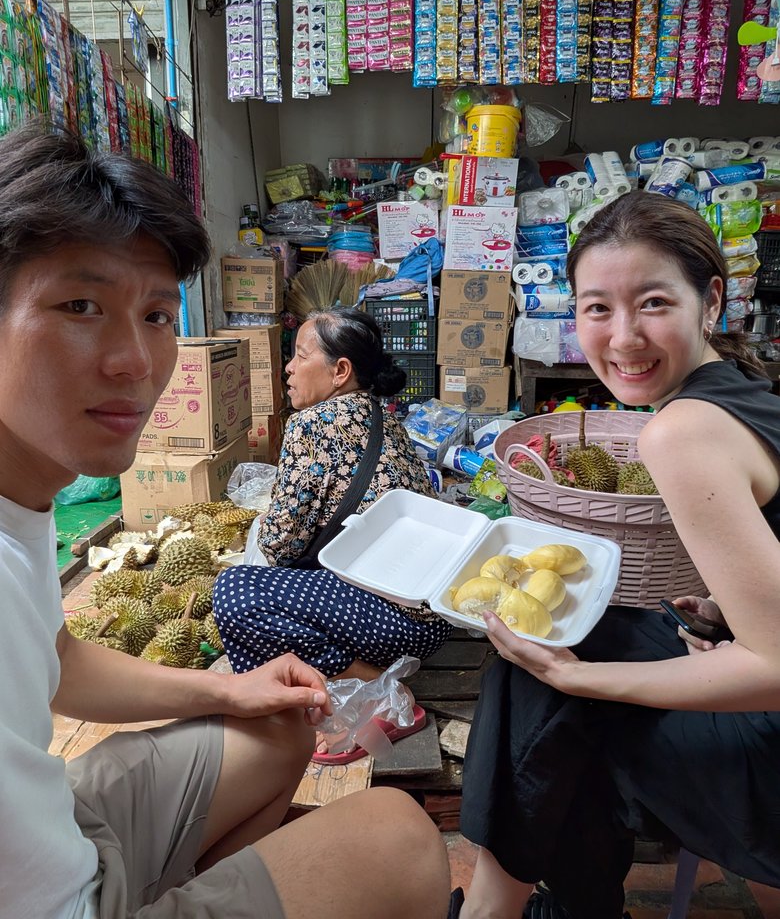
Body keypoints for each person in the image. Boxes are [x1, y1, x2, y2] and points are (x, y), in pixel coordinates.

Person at [0, 121, 451, 919]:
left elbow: (56, 653)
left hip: (61, 833)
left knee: (248, 613)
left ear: (337, 371)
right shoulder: (388, 417)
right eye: (80, 304)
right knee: (398, 835)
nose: (135, 362)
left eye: (155, 315)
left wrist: (229, 688)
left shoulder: (25, 502)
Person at [454, 190, 780, 919]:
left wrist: (591, 680)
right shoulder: (748, 395)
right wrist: (729, 611)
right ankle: (568, 906)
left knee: (544, 670)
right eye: (597, 308)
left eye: (653, 302)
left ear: (712, 301)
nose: (624, 336)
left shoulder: (680, 434)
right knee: (557, 657)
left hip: (770, 773)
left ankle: (495, 909)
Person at [213, 307, 452, 695]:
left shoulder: (311, 423)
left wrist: (263, 527)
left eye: (301, 357)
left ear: (340, 371)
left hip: (397, 623)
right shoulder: (383, 415)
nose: (288, 369)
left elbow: (279, 543)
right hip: (433, 619)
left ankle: (372, 684)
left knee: (236, 592)